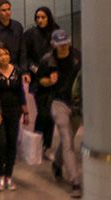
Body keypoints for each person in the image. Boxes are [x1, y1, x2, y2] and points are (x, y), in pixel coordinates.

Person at [35, 29, 80, 197]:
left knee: (68, 138)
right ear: (54, 45)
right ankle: (75, 181)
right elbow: (39, 81)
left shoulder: (77, 57)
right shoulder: (48, 60)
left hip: (76, 104)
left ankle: (57, 164)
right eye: (59, 45)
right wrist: (48, 81)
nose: (63, 48)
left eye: (65, 44)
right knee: (67, 140)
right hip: (58, 102)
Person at [0, 44, 27, 190]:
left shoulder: (16, 70)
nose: (4, 57)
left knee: (12, 143)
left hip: (14, 111)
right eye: (0, 55)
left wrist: (25, 110)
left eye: (6, 54)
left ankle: (9, 176)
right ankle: (0, 174)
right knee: (0, 143)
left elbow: (20, 91)